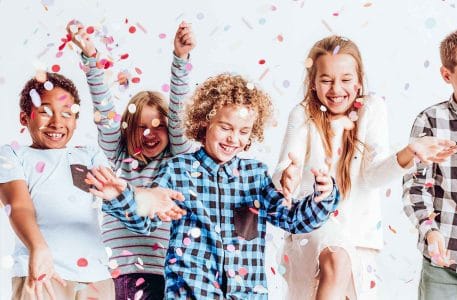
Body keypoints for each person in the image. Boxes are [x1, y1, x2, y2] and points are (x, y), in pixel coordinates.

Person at [87, 73, 340, 299]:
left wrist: (323, 195)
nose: (233, 138)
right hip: (192, 292)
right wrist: (119, 196)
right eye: (225, 127)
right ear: (205, 121)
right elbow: (147, 219)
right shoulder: (178, 170)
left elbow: (294, 220)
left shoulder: (256, 176)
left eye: (244, 131)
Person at [273, 36, 457, 300]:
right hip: (314, 229)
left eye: (346, 79)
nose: (336, 88)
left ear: (359, 81)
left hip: (359, 236)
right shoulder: (303, 114)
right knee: (336, 258)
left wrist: (409, 152)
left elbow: (372, 174)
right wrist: (286, 176)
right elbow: (283, 166)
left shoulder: (372, 109)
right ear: (313, 83)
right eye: (326, 80)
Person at [67, 20, 196, 299]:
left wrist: (181, 58)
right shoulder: (118, 153)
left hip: (167, 273)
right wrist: (90, 58)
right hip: (121, 273)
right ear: (128, 130)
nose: (150, 133)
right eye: (141, 127)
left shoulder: (176, 161)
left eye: (158, 125)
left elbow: (179, 113)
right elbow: (104, 109)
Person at [0, 71, 115, 299]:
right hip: (40, 272)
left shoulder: (89, 155)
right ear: (25, 118)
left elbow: (114, 194)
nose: (57, 123)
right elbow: (19, 206)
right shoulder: (13, 154)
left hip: (95, 276)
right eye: (45, 112)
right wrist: (38, 248)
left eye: (67, 114)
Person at [403, 28, 457, 300]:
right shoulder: (430, 121)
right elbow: (415, 186)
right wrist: (429, 230)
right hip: (445, 251)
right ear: (447, 75)